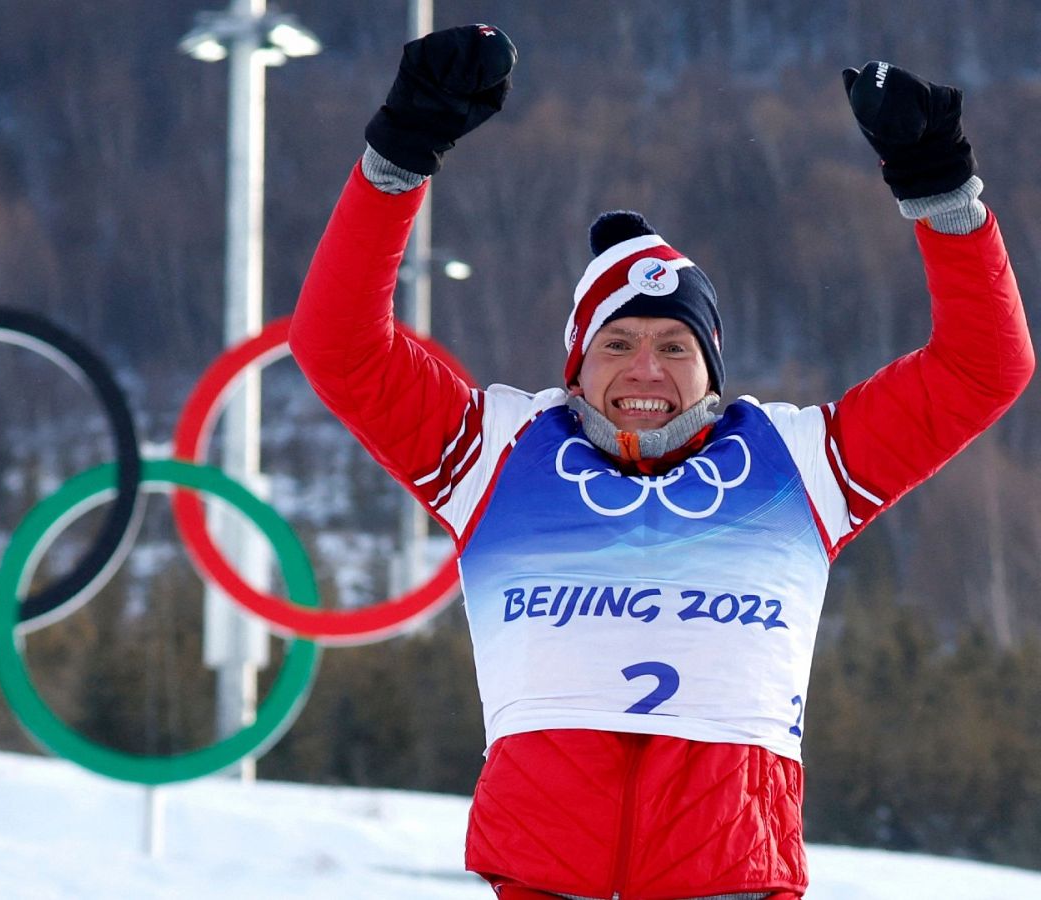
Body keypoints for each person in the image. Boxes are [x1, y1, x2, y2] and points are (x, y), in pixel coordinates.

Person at [289, 24, 1033, 900]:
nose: (647, 370)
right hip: (541, 883)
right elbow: (337, 346)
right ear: (575, 364)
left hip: (731, 880)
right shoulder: (496, 451)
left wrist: (942, 195)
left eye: (677, 345)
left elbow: (986, 367)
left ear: (712, 367)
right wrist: (398, 154)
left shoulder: (802, 465)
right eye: (620, 343)